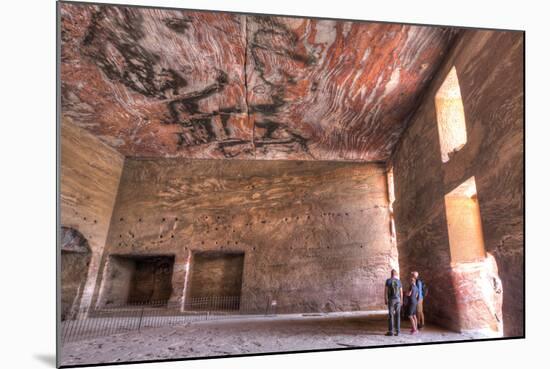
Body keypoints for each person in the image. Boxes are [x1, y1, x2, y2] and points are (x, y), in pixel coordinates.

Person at [384, 269, 403, 336]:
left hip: (391, 299)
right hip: (398, 299)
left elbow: (386, 291)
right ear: (396, 274)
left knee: (391, 315)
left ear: (391, 274)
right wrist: (401, 300)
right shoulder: (399, 281)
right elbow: (401, 292)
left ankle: (391, 331)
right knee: (398, 315)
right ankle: (398, 332)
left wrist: (385, 299)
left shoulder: (388, 280)